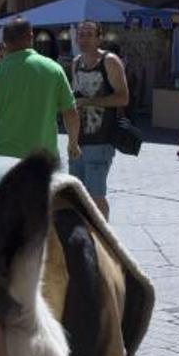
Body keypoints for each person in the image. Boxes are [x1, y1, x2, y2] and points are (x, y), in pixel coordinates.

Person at [0, 17, 81, 161]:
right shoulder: (53, 69)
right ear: (31, 37)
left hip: (5, 161)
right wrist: (73, 144)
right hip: (45, 160)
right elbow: (70, 112)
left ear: (5, 41)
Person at [70, 21, 130, 221]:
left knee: (96, 196)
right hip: (78, 139)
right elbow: (75, 96)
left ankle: (105, 239)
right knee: (76, 195)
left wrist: (88, 101)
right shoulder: (76, 62)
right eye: (81, 35)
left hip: (101, 139)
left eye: (89, 34)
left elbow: (123, 98)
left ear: (99, 38)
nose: (84, 39)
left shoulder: (110, 61)